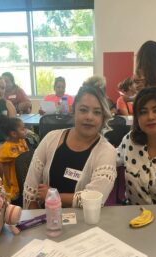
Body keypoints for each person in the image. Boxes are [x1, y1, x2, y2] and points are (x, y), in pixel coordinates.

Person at [24, 81, 117, 209]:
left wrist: (53, 195)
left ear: (103, 117)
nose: (89, 117)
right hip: (47, 219)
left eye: (97, 112)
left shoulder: (107, 151)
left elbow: (95, 198)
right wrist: (34, 222)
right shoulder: (51, 138)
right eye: (83, 110)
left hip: (86, 223)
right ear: (73, 111)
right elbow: (31, 191)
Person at [0, 115, 28, 202]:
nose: (26, 131)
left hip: (22, 172)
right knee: (15, 196)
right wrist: (8, 180)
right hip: (12, 177)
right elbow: (5, 166)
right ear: (14, 134)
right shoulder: (7, 148)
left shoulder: (22, 141)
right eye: (22, 129)